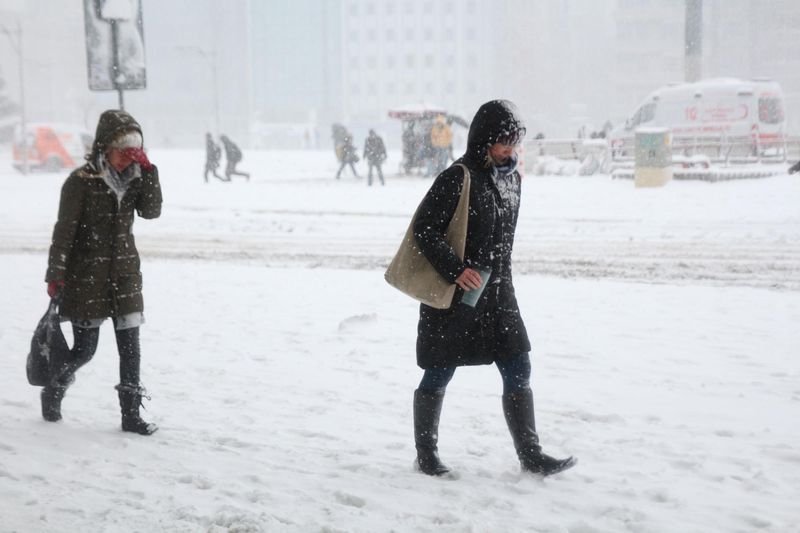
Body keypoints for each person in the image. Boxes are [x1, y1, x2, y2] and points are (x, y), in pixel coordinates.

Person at [411, 100, 576, 477]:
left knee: (519, 366)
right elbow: (424, 229)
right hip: (458, 297)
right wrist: (455, 270)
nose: (511, 149)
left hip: (500, 294)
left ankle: (530, 454)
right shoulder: (458, 177)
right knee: (439, 371)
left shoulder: (511, 178)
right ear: (484, 139)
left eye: (515, 141)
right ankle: (426, 456)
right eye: (504, 141)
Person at [42, 109, 162, 435]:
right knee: (84, 350)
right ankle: (53, 388)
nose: (126, 158)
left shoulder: (137, 177)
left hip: (124, 276)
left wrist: (150, 171)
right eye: (121, 151)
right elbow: (64, 231)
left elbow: (151, 211)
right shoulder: (80, 182)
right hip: (87, 279)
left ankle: (131, 416)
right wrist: (57, 273)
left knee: (131, 351)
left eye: (131, 152)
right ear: (103, 147)